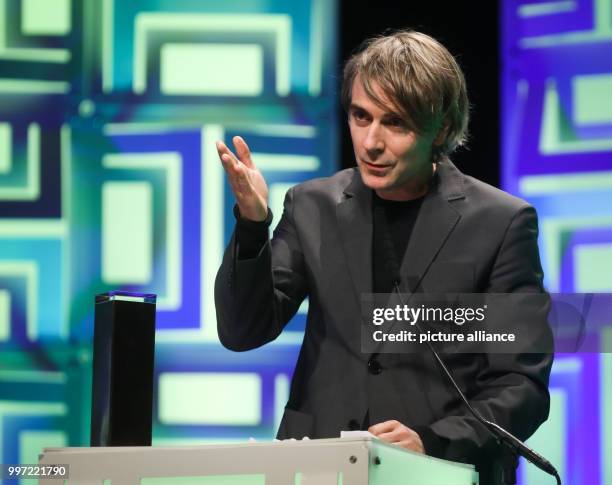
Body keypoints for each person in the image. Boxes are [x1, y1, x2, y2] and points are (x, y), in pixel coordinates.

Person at [214, 30, 552, 485]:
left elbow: (521, 385)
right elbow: (242, 330)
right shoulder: (312, 206)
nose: (371, 142)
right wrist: (253, 225)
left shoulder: (500, 222)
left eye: (396, 123)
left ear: (443, 129)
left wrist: (432, 443)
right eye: (360, 116)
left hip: (440, 474)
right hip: (320, 471)